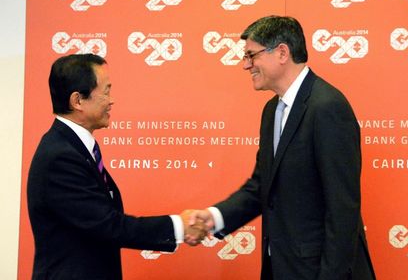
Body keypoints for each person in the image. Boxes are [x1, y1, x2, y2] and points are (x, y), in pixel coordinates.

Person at [188, 16, 376, 280]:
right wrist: (214, 217)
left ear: (282, 52)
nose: (246, 65)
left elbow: (342, 208)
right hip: (281, 268)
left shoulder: (327, 107)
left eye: (251, 56)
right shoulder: (271, 111)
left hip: (319, 272)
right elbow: (262, 186)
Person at [27, 54, 204, 280]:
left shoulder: (71, 147)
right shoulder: (60, 157)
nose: (112, 100)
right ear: (77, 101)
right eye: (106, 91)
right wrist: (179, 226)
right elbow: (108, 224)